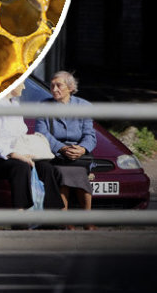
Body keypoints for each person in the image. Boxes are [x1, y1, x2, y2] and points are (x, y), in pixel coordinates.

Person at [0, 80, 64, 211]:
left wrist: (27, 152)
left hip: (17, 155)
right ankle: (21, 215)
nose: (24, 86)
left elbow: (21, 135)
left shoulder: (15, 105)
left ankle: (54, 215)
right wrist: (17, 155)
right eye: (21, 83)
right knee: (21, 167)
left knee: (46, 168)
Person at [35, 71, 97, 215]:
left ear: (70, 88)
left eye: (59, 85)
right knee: (61, 173)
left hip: (78, 156)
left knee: (80, 172)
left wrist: (82, 149)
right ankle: (64, 219)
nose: (54, 89)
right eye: (52, 86)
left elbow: (90, 135)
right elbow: (41, 133)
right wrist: (61, 148)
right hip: (55, 155)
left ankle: (87, 219)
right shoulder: (44, 106)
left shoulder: (84, 106)